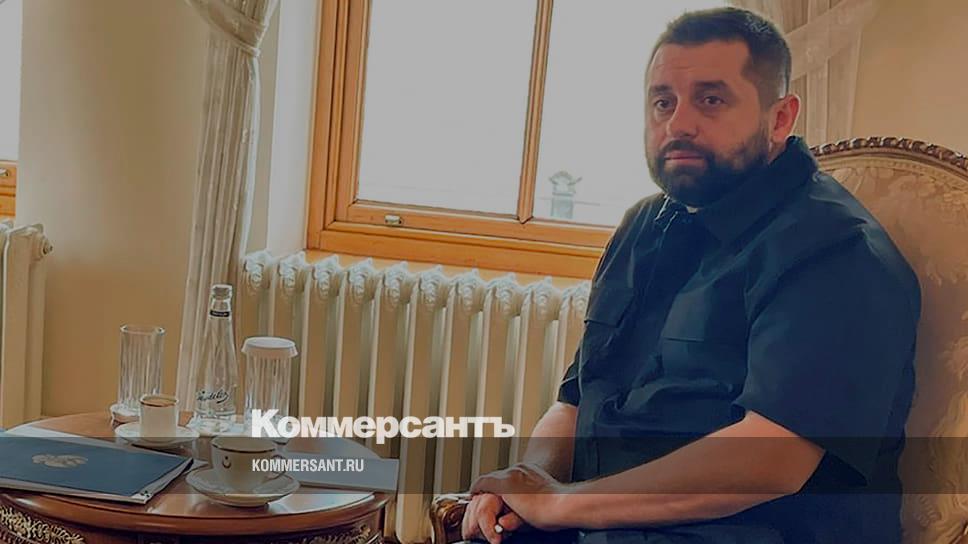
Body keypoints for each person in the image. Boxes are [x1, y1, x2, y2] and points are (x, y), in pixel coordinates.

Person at [461, 7, 920, 544]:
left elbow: (772, 461)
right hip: (599, 524)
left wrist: (562, 505)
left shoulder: (837, 251)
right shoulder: (642, 225)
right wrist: (527, 484)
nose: (677, 124)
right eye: (663, 102)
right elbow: (574, 402)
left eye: (711, 100)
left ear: (780, 118)